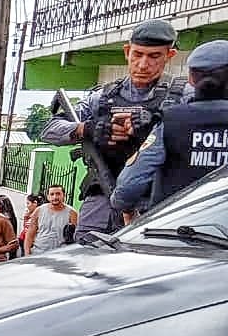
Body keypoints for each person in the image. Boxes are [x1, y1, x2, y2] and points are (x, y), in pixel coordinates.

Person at [41, 19, 190, 243]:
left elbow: (202, 136)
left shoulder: (183, 96)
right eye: (137, 54)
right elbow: (50, 130)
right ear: (127, 51)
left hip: (156, 200)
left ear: (170, 55)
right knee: (85, 257)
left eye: (154, 56)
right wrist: (87, 129)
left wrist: (159, 125)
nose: (143, 64)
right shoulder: (103, 97)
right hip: (101, 195)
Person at [113, 39, 228, 219]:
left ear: (191, 78)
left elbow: (129, 185)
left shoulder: (171, 120)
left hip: (174, 231)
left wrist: (126, 209)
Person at [25, 185, 78, 255]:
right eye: (52, 194)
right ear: (48, 197)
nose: (55, 197)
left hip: (60, 255)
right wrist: (27, 253)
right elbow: (30, 234)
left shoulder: (72, 213)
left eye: (58, 194)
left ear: (64, 196)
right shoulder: (39, 210)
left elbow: (76, 236)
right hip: (38, 253)